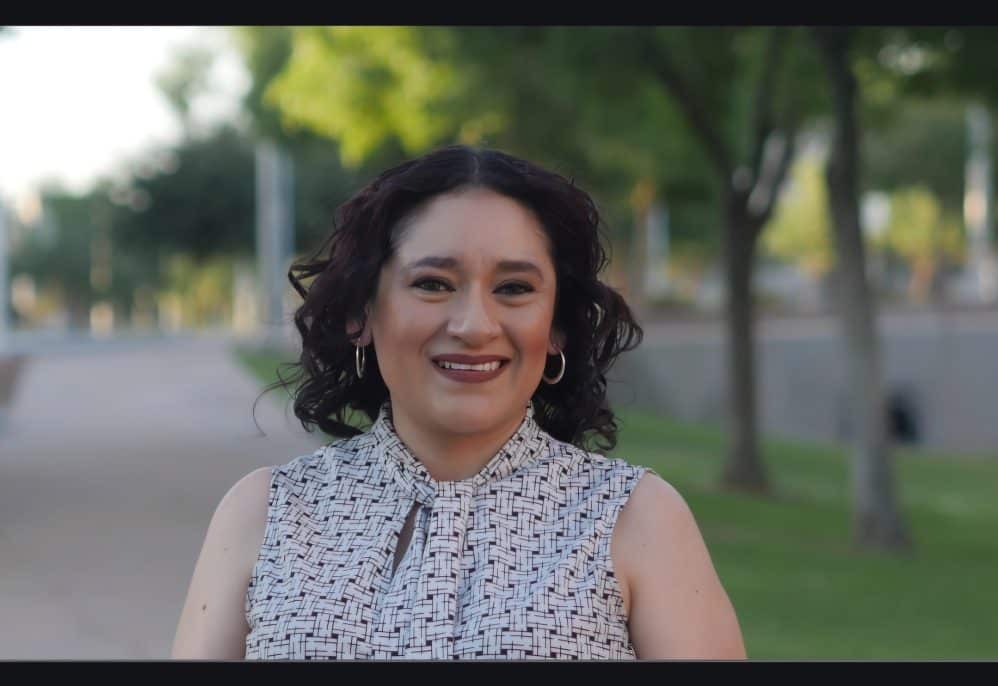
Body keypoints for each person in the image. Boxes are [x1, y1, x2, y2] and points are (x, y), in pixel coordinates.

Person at [171, 145, 746, 660]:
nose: (474, 325)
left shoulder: (636, 517)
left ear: (556, 328)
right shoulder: (265, 513)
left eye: (514, 288)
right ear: (360, 313)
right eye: (433, 284)